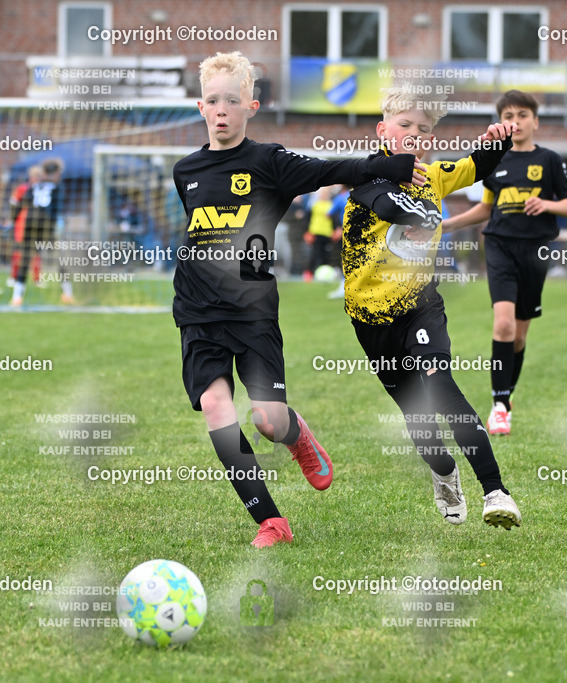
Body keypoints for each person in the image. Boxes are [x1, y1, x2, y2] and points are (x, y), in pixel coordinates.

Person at [172, 51, 424, 548]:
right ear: (201, 108)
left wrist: (391, 165)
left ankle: (297, 435)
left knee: (268, 419)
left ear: (252, 106)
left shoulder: (270, 162)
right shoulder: (187, 171)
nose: (221, 109)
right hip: (197, 312)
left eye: (232, 100)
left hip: (253, 311)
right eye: (213, 101)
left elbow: (332, 167)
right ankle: (272, 522)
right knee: (216, 408)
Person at [342, 85, 522, 530]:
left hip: (420, 304)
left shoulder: (436, 175)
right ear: (384, 130)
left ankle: (496, 492)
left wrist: (497, 141)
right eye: (405, 125)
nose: (414, 135)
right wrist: (417, 212)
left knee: (439, 385)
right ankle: (444, 475)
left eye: (423, 130)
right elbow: (385, 203)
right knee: (415, 411)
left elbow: (476, 166)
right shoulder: (368, 177)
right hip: (369, 316)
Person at [441, 90, 567, 436]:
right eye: (508, 116)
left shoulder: (549, 159)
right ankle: (500, 407)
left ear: (535, 121)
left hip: (535, 251)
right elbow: (486, 209)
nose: (514, 122)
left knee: (518, 336)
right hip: (499, 245)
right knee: (502, 326)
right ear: (500, 121)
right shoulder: (495, 160)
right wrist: (445, 225)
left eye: (521, 115)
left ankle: (506, 395)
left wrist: (546, 204)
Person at [10, 159, 71, 306]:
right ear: (56, 173)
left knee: (25, 259)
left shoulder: (33, 186)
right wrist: (57, 226)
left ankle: (17, 297)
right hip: (47, 224)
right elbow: (57, 208)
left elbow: (21, 205)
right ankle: (67, 294)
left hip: (31, 224)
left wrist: (14, 220)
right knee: (61, 259)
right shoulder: (58, 187)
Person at [9, 165, 43, 287]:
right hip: (22, 223)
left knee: (37, 251)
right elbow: (13, 202)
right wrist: (13, 218)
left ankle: (37, 278)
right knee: (19, 250)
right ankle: (14, 277)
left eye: (39, 176)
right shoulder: (22, 189)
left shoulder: (42, 189)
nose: (37, 179)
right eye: (35, 176)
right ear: (30, 177)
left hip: (38, 223)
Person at [303, 186, 335, 281]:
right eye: (322, 193)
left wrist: (335, 230)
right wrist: (307, 232)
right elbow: (307, 219)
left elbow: (335, 219)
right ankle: (309, 273)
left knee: (326, 256)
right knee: (315, 254)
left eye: (326, 193)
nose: (324, 195)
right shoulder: (314, 205)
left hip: (327, 233)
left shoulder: (331, 205)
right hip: (315, 233)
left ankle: (325, 274)